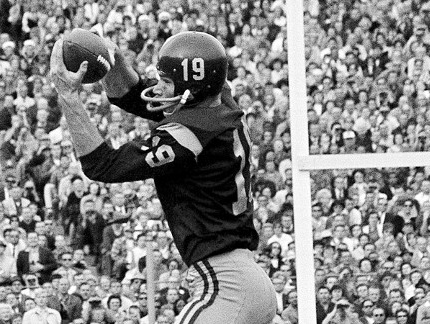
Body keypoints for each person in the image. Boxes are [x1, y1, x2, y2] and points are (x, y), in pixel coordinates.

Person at [50, 31, 276, 323]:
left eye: (166, 82)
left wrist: (67, 97)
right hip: (248, 281)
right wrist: (115, 63)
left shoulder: (190, 134)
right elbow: (136, 97)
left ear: (191, 90)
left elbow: (101, 165)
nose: (158, 87)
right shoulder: (220, 101)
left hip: (226, 287)